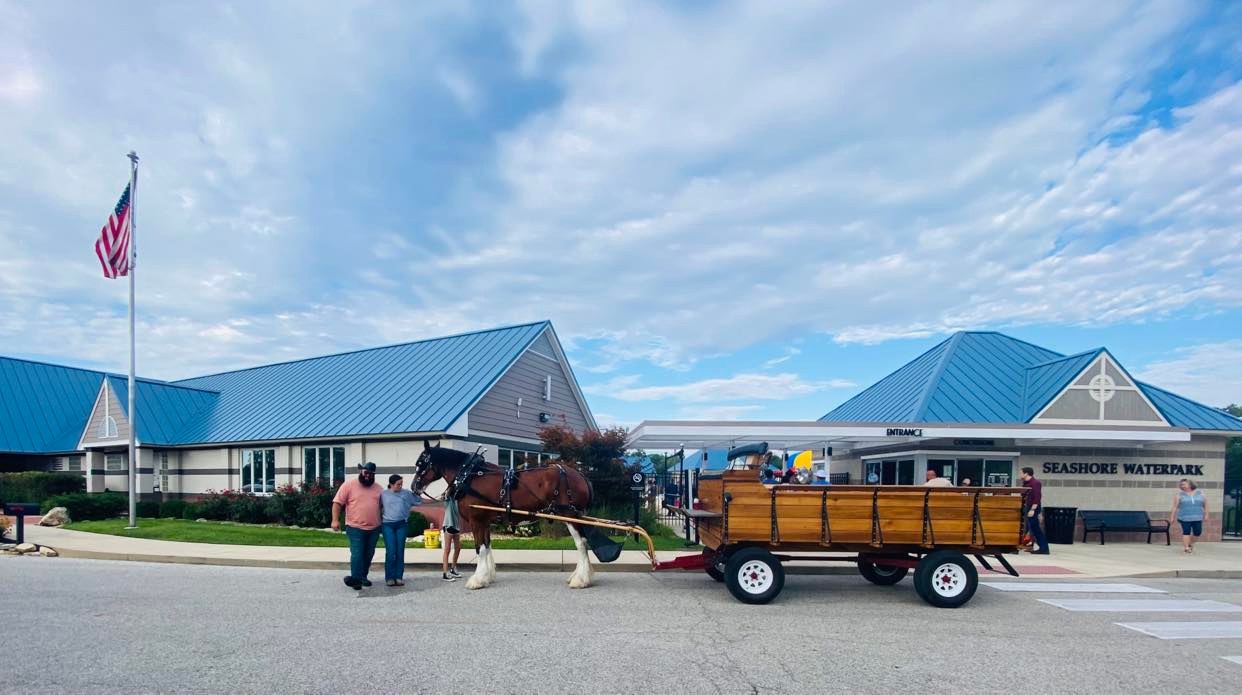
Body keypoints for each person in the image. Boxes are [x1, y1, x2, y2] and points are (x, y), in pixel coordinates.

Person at [332, 462, 383, 590]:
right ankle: (355, 579)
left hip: (374, 528)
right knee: (357, 554)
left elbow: (384, 506)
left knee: (369, 554)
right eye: (366, 473)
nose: (368, 476)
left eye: (371, 474)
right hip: (355, 527)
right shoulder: (349, 485)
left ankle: (362, 577)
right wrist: (335, 520)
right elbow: (337, 503)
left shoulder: (379, 489)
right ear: (361, 472)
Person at [380, 474, 422, 586]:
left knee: (400, 551)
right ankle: (389, 577)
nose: (400, 486)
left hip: (401, 525)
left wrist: (438, 499)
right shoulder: (383, 494)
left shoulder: (406, 493)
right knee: (391, 551)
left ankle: (398, 577)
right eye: (398, 484)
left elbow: (419, 500)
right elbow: (376, 506)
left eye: (401, 484)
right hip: (388, 525)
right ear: (391, 484)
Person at [1171, 478, 1207, 554]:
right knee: (1186, 532)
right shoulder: (1179, 495)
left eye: (1184, 484)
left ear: (1190, 484)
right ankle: (1186, 547)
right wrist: (1172, 517)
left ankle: (1190, 543)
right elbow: (1174, 507)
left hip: (1197, 517)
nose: (1182, 485)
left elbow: (1206, 505)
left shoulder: (1200, 493)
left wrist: (1206, 515)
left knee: (1197, 533)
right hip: (1184, 517)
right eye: (1181, 484)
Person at [1019, 466, 1048, 555]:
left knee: (1035, 529)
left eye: (1021, 473)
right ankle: (1028, 545)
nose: (1020, 474)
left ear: (1026, 473)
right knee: (1028, 528)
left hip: (1033, 508)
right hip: (1026, 507)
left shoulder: (1035, 483)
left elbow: (1037, 497)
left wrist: (1032, 509)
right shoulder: (1026, 483)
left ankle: (1044, 548)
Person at [440, 491, 463, 582]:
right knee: (447, 549)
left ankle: (453, 569)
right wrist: (445, 494)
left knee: (458, 548)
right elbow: (446, 495)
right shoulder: (447, 500)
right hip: (448, 525)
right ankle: (445, 574)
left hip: (456, 526)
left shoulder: (458, 501)